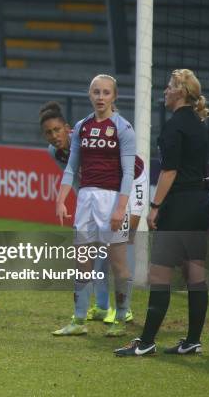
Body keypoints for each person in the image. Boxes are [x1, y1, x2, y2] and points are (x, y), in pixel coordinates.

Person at [115, 69, 209, 356]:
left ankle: (145, 343)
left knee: (159, 273)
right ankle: (193, 340)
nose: (165, 91)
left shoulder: (174, 127)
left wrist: (154, 207)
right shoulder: (199, 123)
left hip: (179, 203)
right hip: (200, 203)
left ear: (180, 92)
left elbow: (170, 171)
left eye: (170, 86)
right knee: (196, 272)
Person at [41, 101, 147, 324]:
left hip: (132, 180)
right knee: (97, 246)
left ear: (67, 128)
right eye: (48, 132)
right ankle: (101, 307)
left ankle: (124, 309)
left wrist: (118, 205)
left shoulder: (88, 137)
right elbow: (80, 180)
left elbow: (123, 169)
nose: (53, 136)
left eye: (57, 129)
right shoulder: (55, 153)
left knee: (123, 239)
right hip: (99, 191)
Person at [51, 75, 136, 337]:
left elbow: (129, 172)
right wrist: (61, 198)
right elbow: (71, 167)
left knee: (118, 262)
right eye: (96, 92)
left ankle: (121, 318)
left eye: (106, 93)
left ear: (114, 97)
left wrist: (121, 208)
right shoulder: (82, 127)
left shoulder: (123, 128)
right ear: (89, 95)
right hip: (86, 200)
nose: (101, 97)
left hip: (112, 200)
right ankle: (78, 320)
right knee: (82, 261)